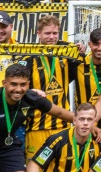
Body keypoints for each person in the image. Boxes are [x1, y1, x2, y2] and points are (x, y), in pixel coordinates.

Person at [23, 15, 81, 160]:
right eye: (47, 33)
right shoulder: (29, 57)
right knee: (36, 171)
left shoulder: (67, 53)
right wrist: (32, 91)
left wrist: (81, 50)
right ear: (39, 34)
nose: (51, 37)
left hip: (63, 125)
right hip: (37, 126)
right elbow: (19, 89)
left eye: (55, 33)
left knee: (62, 169)